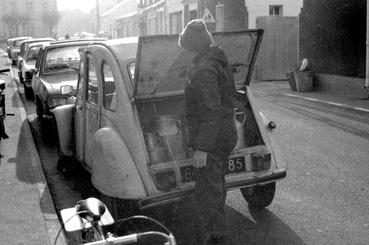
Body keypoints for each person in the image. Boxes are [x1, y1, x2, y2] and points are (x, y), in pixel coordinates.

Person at [178, 19, 238, 245]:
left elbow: (211, 111)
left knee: (209, 194)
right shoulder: (217, 59)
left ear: (193, 44)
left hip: (213, 140)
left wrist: (202, 148)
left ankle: (216, 239)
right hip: (225, 133)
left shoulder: (204, 69)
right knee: (216, 186)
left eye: (185, 45)